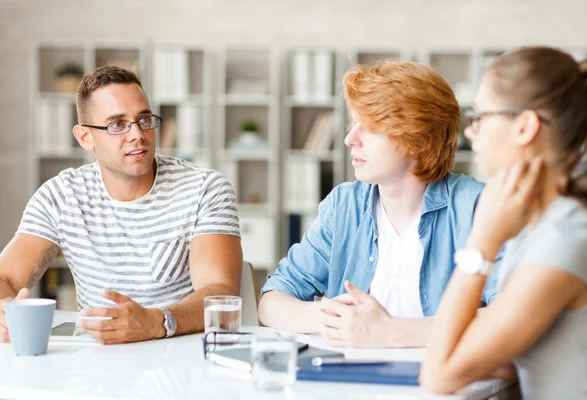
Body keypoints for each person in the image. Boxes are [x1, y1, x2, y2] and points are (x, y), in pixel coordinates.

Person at [258, 60, 499, 348]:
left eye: (369, 127)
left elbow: (509, 318)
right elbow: (272, 300)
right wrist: (325, 316)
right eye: (352, 123)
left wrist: (388, 331)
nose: (349, 139)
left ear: (417, 139)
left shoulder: (475, 207)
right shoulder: (344, 205)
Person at [0, 66, 242, 344]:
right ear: (85, 137)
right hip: (98, 364)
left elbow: (220, 294)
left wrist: (156, 322)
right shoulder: (60, 195)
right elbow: (5, 276)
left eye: (144, 119)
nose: (137, 134)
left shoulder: (205, 189)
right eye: (117, 124)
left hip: (181, 359)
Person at [421, 47, 587, 398]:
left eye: (480, 117)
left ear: (524, 126)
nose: (471, 134)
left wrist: (481, 243)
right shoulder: (540, 225)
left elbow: (439, 376)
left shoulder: (565, 239)